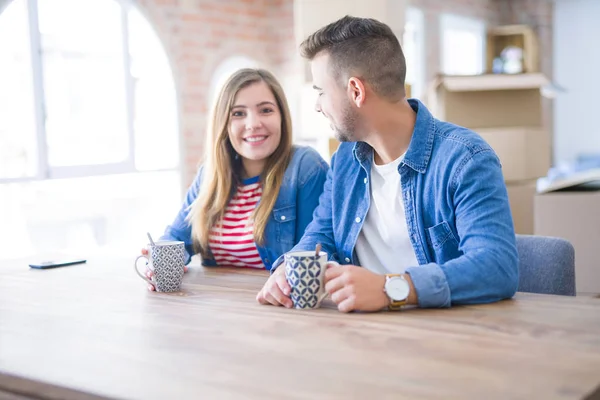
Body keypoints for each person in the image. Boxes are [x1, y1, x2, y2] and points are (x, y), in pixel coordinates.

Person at [257, 16, 518, 312]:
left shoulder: (465, 159)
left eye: (321, 91)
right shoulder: (346, 159)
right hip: (361, 333)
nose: (318, 105)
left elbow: (497, 267)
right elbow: (323, 234)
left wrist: (390, 289)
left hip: (448, 337)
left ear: (356, 91)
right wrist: (285, 271)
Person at [142, 68, 329, 290]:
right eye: (238, 113)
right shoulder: (209, 174)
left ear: (282, 117)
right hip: (218, 310)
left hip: (279, 309)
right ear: (224, 123)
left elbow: (313, 252)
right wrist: (157, 262)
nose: (253, 124)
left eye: (266, 110)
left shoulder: (304, 167)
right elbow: (177, 236)